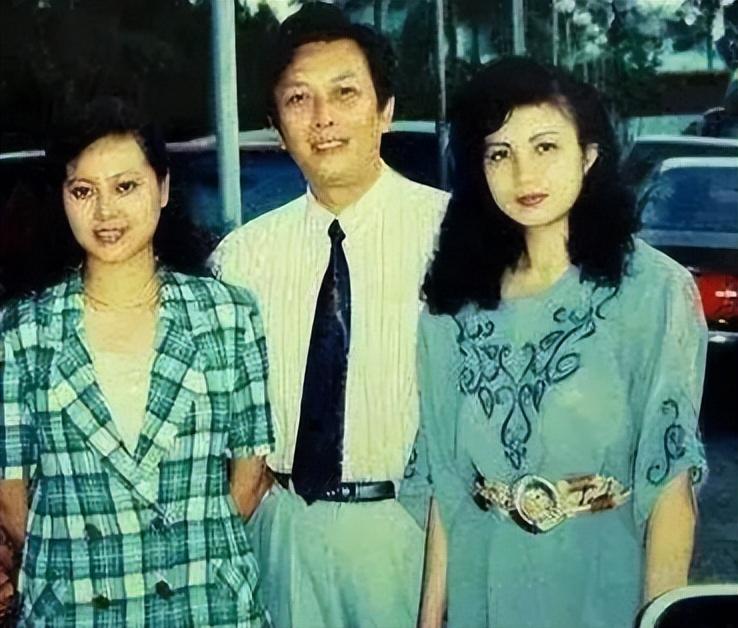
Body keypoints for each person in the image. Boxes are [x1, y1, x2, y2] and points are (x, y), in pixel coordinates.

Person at [404, 57, 708, 628]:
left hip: (602, 583)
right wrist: (430, 618)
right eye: (500, 154)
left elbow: (669, 485)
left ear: (588, 155)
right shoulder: (454, 301)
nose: (524, 173)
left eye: (545, 147)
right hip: (484, 584)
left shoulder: (652, 290)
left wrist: (658, 619)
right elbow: (446, 483)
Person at [211, 3, 449, 626]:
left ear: (385, 109)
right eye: (299, 99)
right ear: (275, 124)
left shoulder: (454, 237)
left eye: (345, 93)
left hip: (411, 531)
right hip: (282, 527)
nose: (323, 118)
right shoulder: (241, 259)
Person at [0, 97, 274, 626]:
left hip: (204, 601)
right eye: (84, 191)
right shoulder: (21, 331)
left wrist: (175, 551)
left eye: (125, 186)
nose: (105, 212)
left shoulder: (229, 315)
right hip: (78, 606)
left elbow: (249, 475)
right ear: (62, 198)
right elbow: (11, 501)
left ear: (163, 188)